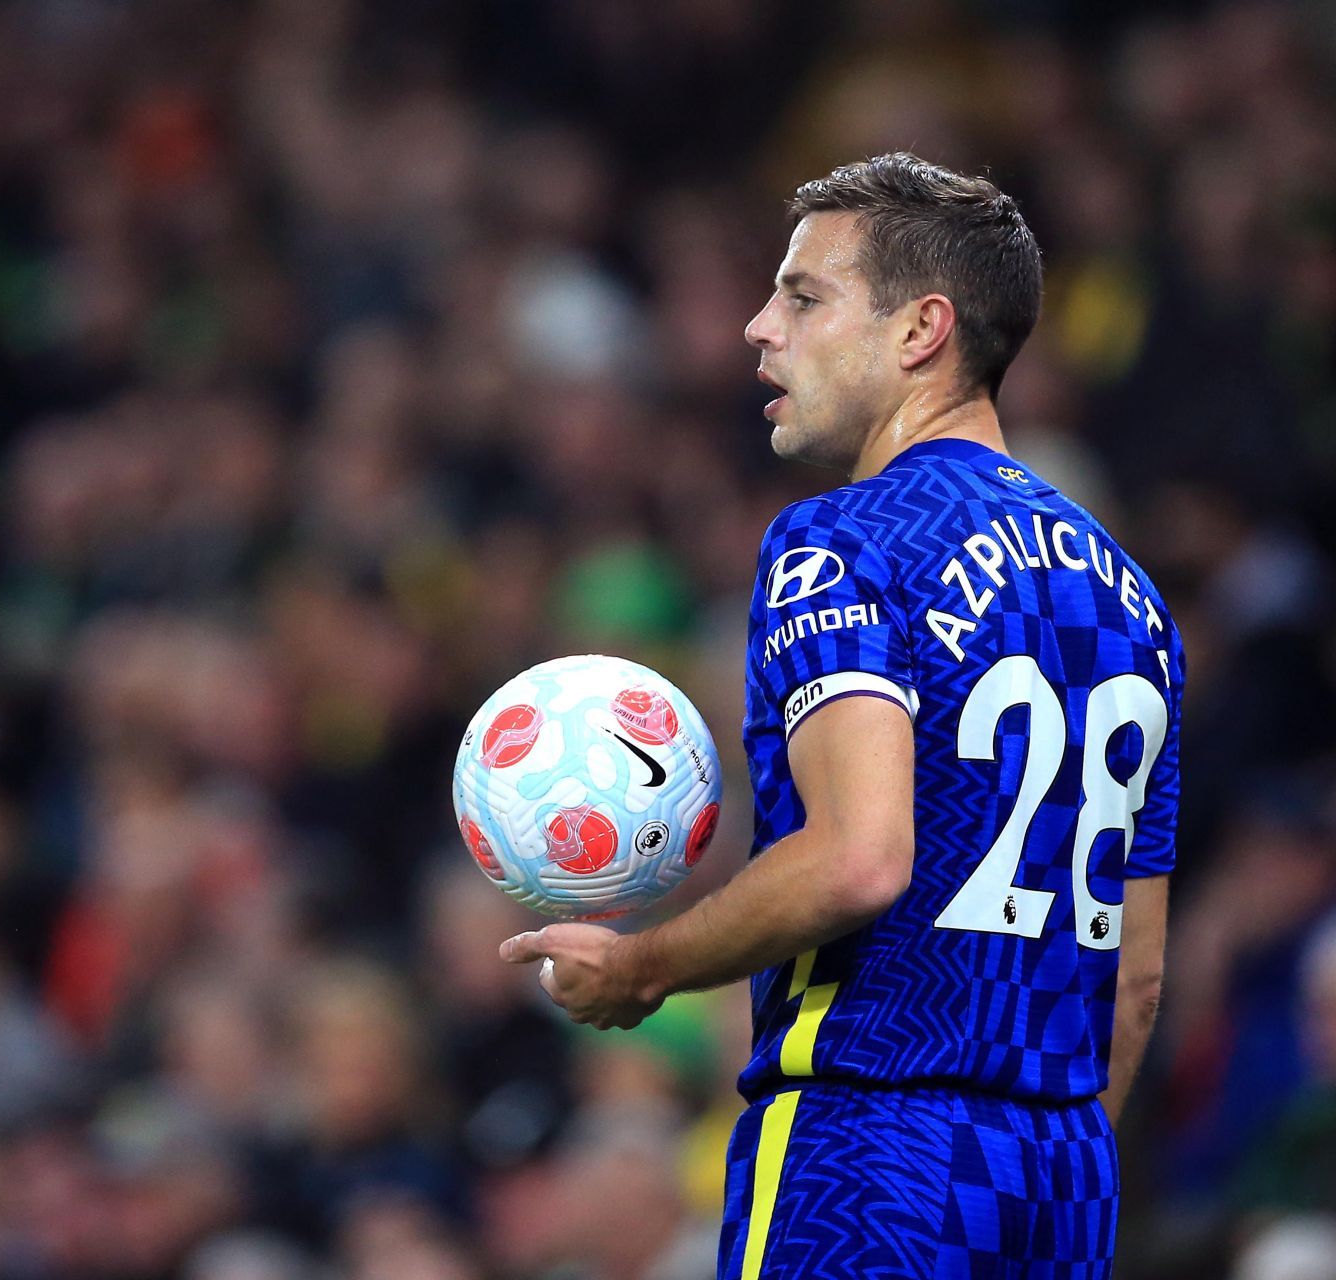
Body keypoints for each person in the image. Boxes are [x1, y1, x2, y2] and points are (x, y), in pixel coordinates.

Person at [501, 153, 1181, 1277]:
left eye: (804, 296)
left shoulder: (842, 539)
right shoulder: (1131, 598)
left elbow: (860, 859)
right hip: (1064, 1171)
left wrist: (644, 968)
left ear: (921, 331)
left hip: (872, 1147)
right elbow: (1138, 979)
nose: (759, 328)